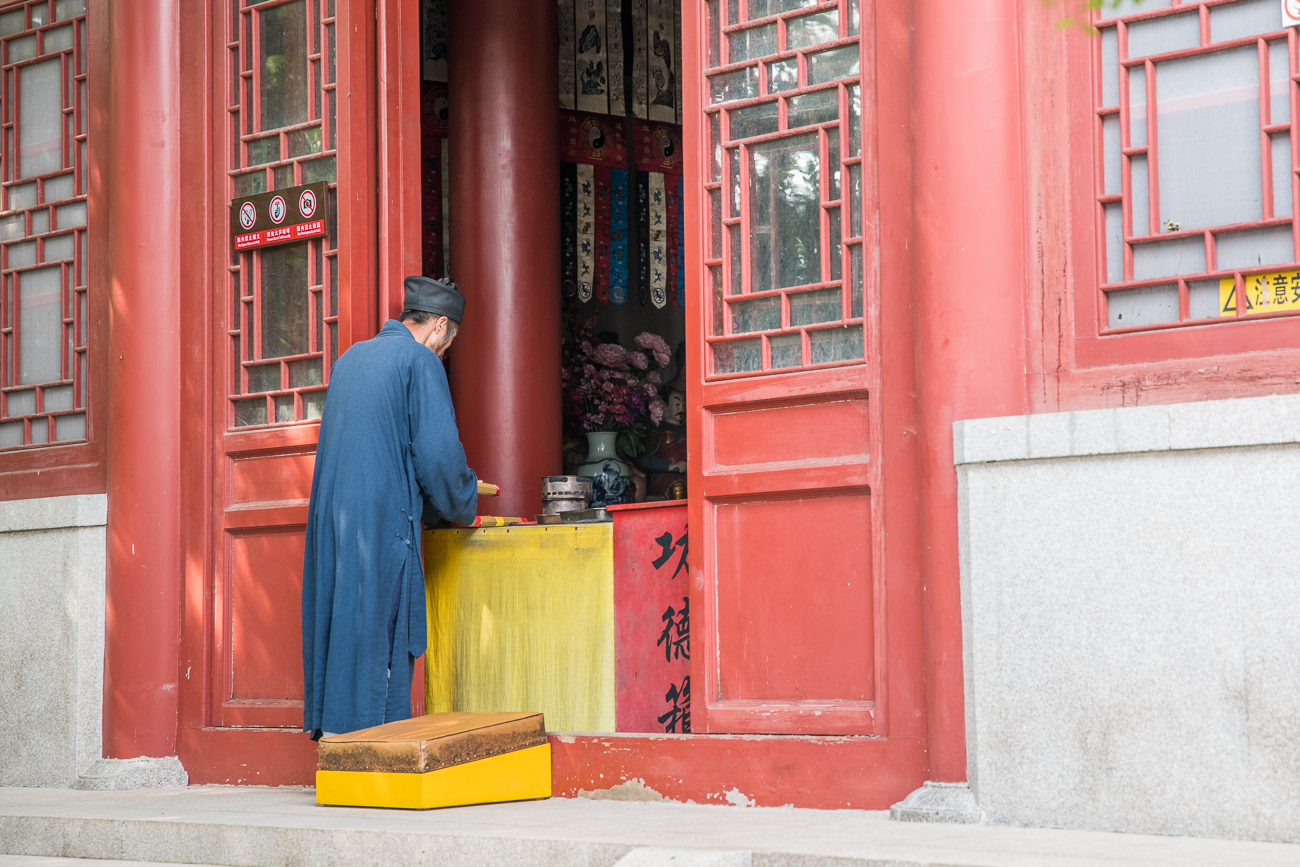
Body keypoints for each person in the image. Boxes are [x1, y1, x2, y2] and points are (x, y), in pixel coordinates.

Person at [301, 275, 478, 740]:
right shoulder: (419, 361)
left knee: (341, 626)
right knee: (382, 634)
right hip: (380, 523)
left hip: (332, 519)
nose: (445, 351)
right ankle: (371, 752)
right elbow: (438, 457)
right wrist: (466, 500)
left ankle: (335, 740)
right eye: (450, 341)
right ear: (440, 326)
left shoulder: (350, 359)